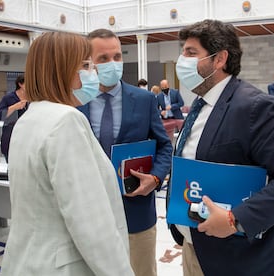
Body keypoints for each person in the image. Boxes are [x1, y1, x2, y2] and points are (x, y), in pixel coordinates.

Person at [168, 19, 274, 276]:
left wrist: (234, 220)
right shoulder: (199, 106)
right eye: (183, 52)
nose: (183, 60)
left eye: (191, 53)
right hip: (195, 248)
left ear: (219, 59)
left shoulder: (253, 107)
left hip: (239, 258)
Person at [0, 31, 134, 276]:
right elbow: (90, 223)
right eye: (85, 65)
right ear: (62, 70)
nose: (92, 73)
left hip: (29, 259)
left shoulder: (30, 117)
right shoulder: (66, 120)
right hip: (63, 265)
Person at [77, 28, 172, 276]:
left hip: (136, 211)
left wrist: (155, 178)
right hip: (88, 213)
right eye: (103, 59)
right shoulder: (76, 102)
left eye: (117, 57)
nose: (113, 64)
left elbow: (164, 145)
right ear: (88, 63)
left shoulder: (143, 99)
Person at [0, 74, 28, 162]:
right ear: (20, 84)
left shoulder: (33, 99)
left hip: (27, 138)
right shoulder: (8, 98)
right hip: (11, 137)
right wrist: (14, 107)